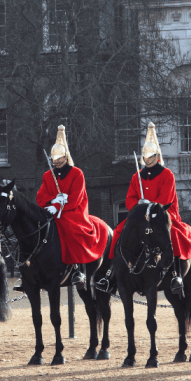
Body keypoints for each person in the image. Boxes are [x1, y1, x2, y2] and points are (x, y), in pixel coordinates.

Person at [106, 122, 191, 296]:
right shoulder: (137, 176)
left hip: (164, 215)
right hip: (141, 217)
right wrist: (138, 206)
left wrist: (149, 205)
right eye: (146, 156)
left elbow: (166, 199)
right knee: (119, 232)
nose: (148, 159)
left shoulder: (167, 175)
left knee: (172, 235)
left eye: (151, 156)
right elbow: (130, 198)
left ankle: (175, 274)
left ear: (157, 156)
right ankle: (111, 274)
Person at [36, 125, 109, 291]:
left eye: (59, 158)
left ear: (65, 157)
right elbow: (40, 197)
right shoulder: (48, 175)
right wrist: (54, 201)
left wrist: (61, 206)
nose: (56, 162)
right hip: (53, 211)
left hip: (74, 212)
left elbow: (76, 199)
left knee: (70, 227)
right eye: (54, 159)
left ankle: (78, 269)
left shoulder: (77, 174)